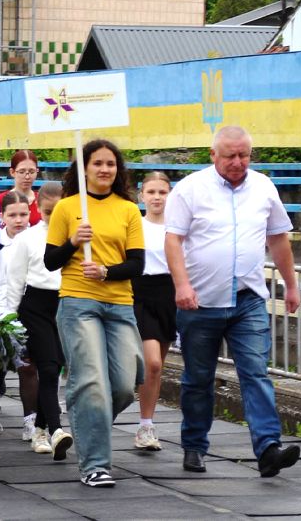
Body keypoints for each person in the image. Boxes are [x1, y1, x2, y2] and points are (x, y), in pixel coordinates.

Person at [165, 125, 301, 478]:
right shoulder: (191, 189)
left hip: (248, 298)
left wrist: (291, 285)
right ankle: (195, 446)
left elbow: (278, 239)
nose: (238, 162)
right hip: (200, 302)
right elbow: (173, 240)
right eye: (230, 156)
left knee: (256, 373)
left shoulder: (263, 187)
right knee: (198, 378)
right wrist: (181, 285)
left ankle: (268, 448)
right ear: (214, 155)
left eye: (244, 155)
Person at [44, 139, 145, 488]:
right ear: (84, 168)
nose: (104, 169)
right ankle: (95, 466)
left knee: (122, 388)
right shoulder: (67, 208)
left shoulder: (129, 210)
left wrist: (106, 272)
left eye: (111, 164)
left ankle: (86, 417)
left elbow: (137, 264)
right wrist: (73, 242)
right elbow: (50, 261)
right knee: (93, 386)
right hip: (78, 302)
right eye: (97, 163)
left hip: (120, 303)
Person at [8, 182, 72, 459]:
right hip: (36, 306)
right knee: (47, 368)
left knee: (56, 368)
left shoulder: (75, 238)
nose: (53, 217)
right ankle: (56, 429)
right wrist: (9, 323)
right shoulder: (27, 239)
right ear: (39, 209)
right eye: (48, 212)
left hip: (67, 302)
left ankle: (41, 429)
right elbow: (15, 281)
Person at [0, 190, 39, 453]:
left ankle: (31, 420)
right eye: (12, 215)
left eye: (23, 214)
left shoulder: (36, 239)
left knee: (27, 366)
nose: (19, 220)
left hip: (27, 306)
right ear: (2, 216)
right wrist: (1, 314)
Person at [133, 172, 175, 451]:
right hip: (141, 291)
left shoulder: (176, 227)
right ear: (142, 195)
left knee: (158, 367)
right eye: (152, 192)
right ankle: (144, 425)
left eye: (162, 192)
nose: (157, 197)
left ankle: (146, 424)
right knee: (152, 364)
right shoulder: (136, 225)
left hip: (168, 292)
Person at [0, 150, 43, 224]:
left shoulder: (42, 200)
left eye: (32, 172)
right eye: (22, 172)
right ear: (12, 172)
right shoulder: (0, 200)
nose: (27, 177)